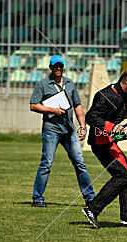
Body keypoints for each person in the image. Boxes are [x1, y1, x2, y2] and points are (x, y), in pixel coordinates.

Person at [82, 68, 127, 228]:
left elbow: (126, 110)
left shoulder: (125, 96)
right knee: (123, 175)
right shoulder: (107, 96)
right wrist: (112, 127)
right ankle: (92, 209)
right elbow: (91, 117)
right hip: (101, 143)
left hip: (110, 142)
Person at [29, 55, 95, 207]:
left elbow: (77, 105)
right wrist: (52, 110)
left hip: (69, 130)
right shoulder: (43, 84)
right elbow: (33, 105)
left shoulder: (70, 83)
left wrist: (83, 126)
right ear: (50, 67)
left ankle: (90, 198)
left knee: (80, 163)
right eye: (55, 65)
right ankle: (37, 199)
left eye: (60, 65)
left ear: (63, 67)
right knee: (46, 164)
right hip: (51, 130)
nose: (58, 68)